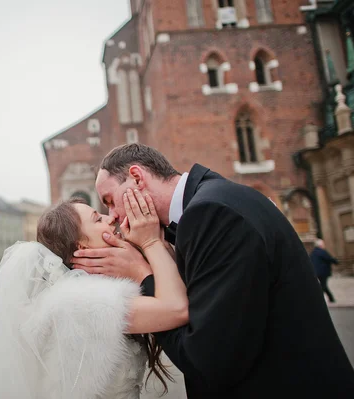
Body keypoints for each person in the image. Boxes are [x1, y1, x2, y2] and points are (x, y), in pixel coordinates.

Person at [72, 143, 354, 398]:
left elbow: (208, 362)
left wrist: (142, 273)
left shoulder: (211, 214)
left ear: (137, 177)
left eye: (110, 201)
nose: (114, 217)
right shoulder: (213, 200)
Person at [0, 191, 188, 398]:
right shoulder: (84, 302)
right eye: (97, 219)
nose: (110, 218)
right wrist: (151, 242)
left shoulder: (84, 293)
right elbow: (177, 309)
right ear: (82, 247)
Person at [310, 238, 339, 303]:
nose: (324, 245)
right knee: (323, 286)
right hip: (323, 272)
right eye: (323, 244)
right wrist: (336, 262)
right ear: (320, 245)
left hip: (316, 271)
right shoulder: (322, 251)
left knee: (323, 285)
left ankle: (331, 299)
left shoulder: (313, 252)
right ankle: (318, 299)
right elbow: (329, 258)